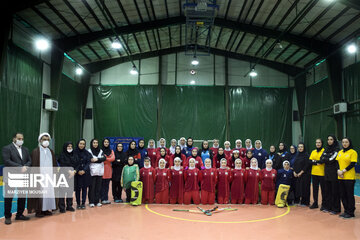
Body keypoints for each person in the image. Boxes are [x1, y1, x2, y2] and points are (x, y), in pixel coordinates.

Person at [2, 132, 31, 225]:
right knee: (8, 197)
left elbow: (29, 160)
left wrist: (25, 166)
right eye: (19, 138)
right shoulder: (7, 148)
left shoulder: (25, 149)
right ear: (14, 138)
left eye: (22, 139)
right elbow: (7, 161)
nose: (21, 140)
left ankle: (19, 214)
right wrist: (19, 167)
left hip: (22, 177)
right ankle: (7, 217)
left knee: (22, 196)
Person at [27, 133, 58, 216]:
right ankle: (38, 210)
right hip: (40, 177)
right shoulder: (35, 151)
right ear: (40, 140)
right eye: (44, 139)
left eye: (48, 140)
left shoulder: (51, 152)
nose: (46, 141)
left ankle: (46, 209)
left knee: (48, 193)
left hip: (49, 176)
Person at [336, 137, 357, 219]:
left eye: (346, 142)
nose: (344, 144)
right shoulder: (340, 152)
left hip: (349, 177)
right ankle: (346, 211)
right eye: (343, 142)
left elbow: (352, 164)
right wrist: (338, 171)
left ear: (349, 143)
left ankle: (351, 212)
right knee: (342, 194)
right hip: (340, 177)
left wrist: (343, 171)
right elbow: (337, 163)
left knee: (349, 195)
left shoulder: (353, 152)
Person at [319, 135, 340, 214]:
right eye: (328, 139)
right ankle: (328, 207)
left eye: (331, 139)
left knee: (335, 191)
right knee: (328, 191)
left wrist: (326, 158)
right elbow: (321, 158)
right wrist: (326, 158)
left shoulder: (337, 149)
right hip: (327, 173)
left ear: (334, 140)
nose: (329, 141)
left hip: (334, 174)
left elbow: (332, 159)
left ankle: (336, 209)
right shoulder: (326, 149)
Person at [57, 142, 76, 213]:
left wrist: (74, 171)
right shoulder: (62, 154)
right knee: (62, 191)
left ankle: (69, 206)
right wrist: (69, 171)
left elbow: (77, 163)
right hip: (63, 175)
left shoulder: (74, 154)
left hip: (71, 175)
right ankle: (62, 207)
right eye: (68, 146)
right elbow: (62, 164)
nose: (70, 147)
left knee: (70, 191)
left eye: (71, 146)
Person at [73, 139, 91, 209]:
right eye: (80, 144)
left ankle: (83, 203)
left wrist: (84, 170)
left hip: (85, 173)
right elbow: (73, 162)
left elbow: (88, 162)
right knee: (78, 189)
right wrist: (78, 171)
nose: (82, 145)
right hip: (77, 174)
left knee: (84, 188)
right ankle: (78, 203)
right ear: (78, 144)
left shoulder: (87, 153)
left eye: (83, 144)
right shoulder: (74, 152)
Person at [88, 139, 106, 207]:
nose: (95, 144)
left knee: (98, 187)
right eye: (94, 143)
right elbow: (90, 159)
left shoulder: (101, 151)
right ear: (92, 143)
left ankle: (97, 201)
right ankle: (91, 202)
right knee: (92, 188)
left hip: (100, 172)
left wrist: (97, 159)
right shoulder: (89, 151)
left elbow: (104, 158)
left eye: (96, 143)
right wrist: (99, 160)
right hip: (92, 172)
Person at [309, 139, 326, 210]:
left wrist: (315, 161)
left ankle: (324, 204)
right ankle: (315, 203)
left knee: (323, 190)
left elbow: (323, 161)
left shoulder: (324, 151)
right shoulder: (313, 151)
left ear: (322, 143)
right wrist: (317, 162)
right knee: (315, 189)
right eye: (317, 142)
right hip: (314, 173)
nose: (318, 144)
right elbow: (310, 161)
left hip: (322, 173)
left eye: (319, 142)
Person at [101, 138, 115, 204]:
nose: (106, 143)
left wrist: (105, 158)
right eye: (105, 142)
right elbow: (101, 159)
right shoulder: (100, 151)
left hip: (109, 170)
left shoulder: (111, 150)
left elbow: (113, 158)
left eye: (107, 142)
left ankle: (106, 199)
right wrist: (108, 158)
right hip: (101, 170)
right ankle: (101, 199)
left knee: (107, 186)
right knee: (101, 185)